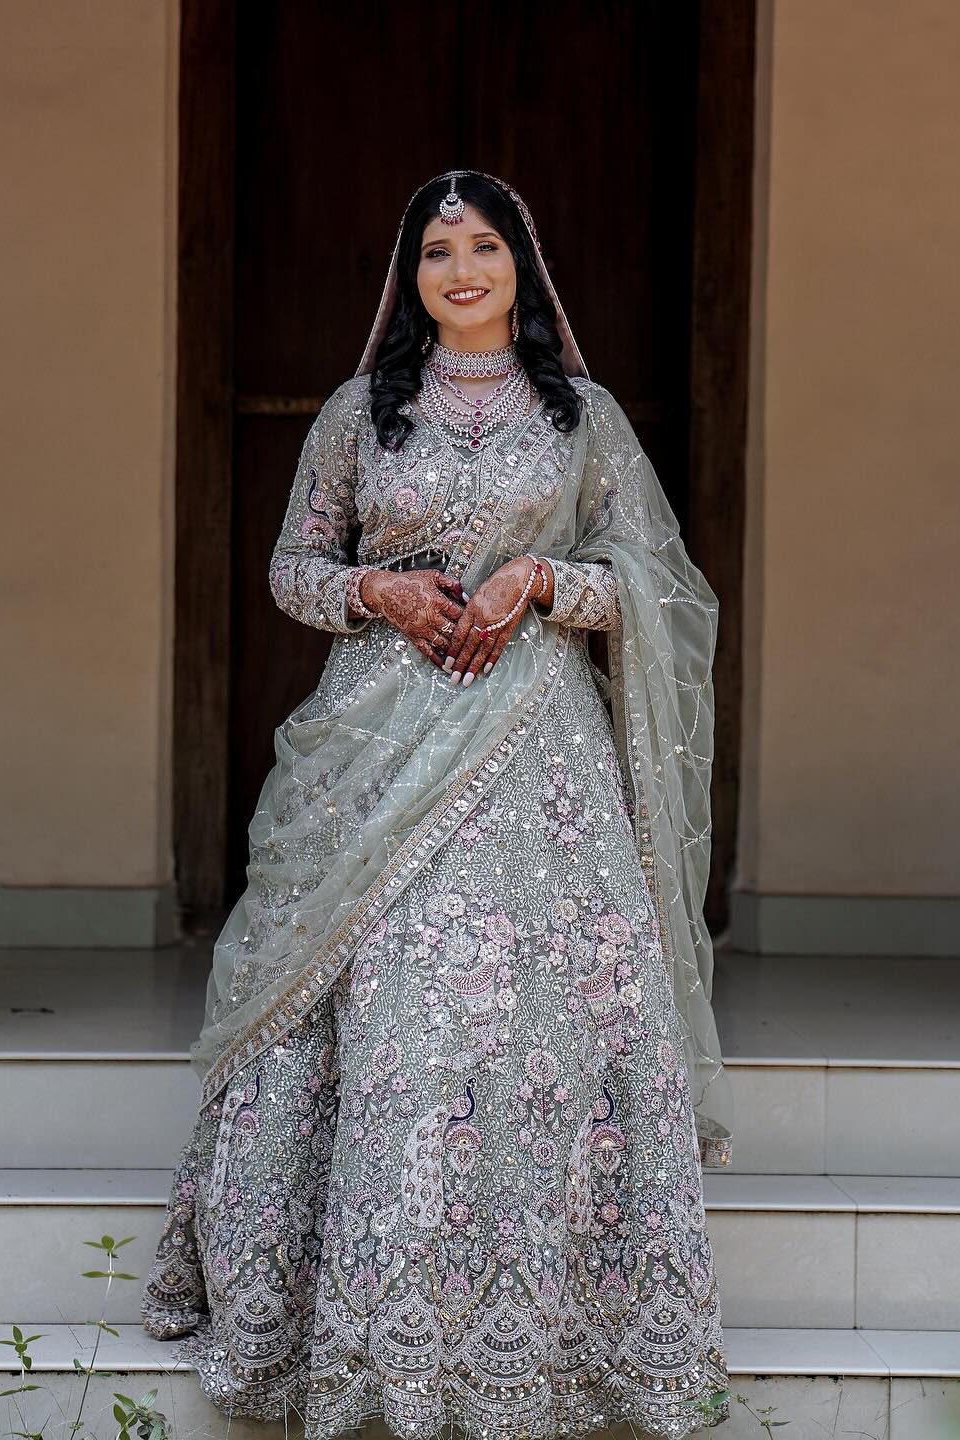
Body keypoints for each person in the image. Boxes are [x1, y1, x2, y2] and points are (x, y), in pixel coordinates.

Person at [142, 169, 738, 1440]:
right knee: (396, 1017)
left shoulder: (587, 419)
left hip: (539, 754)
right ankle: (357, 1338)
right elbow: (293, 567)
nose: (460, 272)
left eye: (483, 248)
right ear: (407, 278)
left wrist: (545, 580)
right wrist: (379, 594)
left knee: (545, 1024)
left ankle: (564, 1339)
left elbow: (666, 587)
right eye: (434, 253)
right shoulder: (364, 412)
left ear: (524, 263)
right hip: (375, 743)